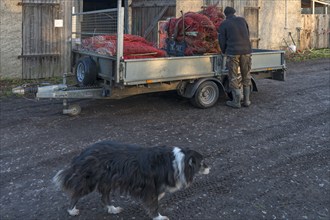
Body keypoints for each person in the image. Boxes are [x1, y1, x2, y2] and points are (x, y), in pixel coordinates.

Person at [218, 6, 252, 108]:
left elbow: (222, 41)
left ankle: (236, 102)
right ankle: (246, 100)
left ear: (225, 14)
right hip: (246, 51)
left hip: (233, 52)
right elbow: (247, 34)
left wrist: (224, 51)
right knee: (246, 75)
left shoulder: (224, 24)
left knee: (233, 76)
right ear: (234, 12)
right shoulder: (242, 20)